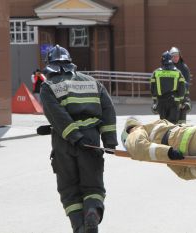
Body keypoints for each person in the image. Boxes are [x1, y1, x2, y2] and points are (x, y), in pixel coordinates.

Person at [40, 45, 118, 233]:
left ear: (50, 64)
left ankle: (79, 227)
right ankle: (92, 210)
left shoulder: (48, 86)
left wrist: (75, 136)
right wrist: (109, 141)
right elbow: (108, 110)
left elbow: (57, 116)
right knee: (93, 186)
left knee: (69, 190)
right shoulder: (93, 83)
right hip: (91, 141)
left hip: (64, 143)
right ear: (69, 62)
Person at [150, 51, 186, 124]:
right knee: (173, 124)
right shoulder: (178, 72)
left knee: (163, 123)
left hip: (161, 101)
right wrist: (181, 101)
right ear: (171, 60)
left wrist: (154, 102)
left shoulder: (156, 72)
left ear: (162, 60)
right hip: (174, 101)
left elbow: (152, 89)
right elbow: (182, 88)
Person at [169, 47, 192, 124]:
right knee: (171, 121)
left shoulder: (184, 68)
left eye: (177, 56)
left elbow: (187, 84)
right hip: (171, 97)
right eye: (173, 56)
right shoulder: (168, 68)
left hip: (182, 97)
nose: (175, 58)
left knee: (181, 121)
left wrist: (184, 98)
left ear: (180, 56)